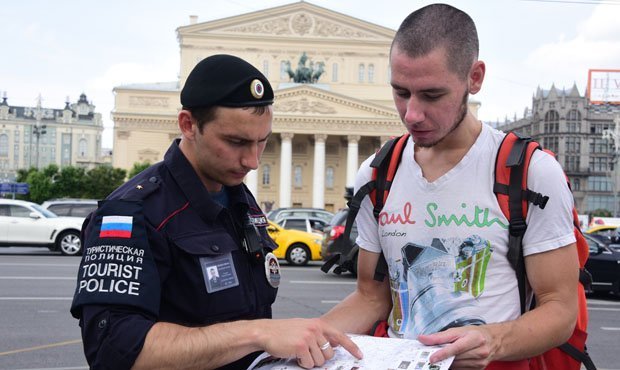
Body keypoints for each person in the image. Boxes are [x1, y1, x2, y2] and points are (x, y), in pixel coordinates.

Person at [321, 4, 578, 370]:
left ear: (474, 78)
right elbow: (370, 297)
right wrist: (308, 337)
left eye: (431, 95)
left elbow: (561, 309)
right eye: (400, 92)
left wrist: (492, 340)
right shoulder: (378, 174)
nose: (411, 113)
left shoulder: (530, 172)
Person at [70, 54, 361, 370]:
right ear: (188, 125)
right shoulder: (130, 214)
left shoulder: (239, 198)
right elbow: (114, 350)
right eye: (236, 142)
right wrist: (257, 333)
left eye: (261, 142)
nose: (252, 161)